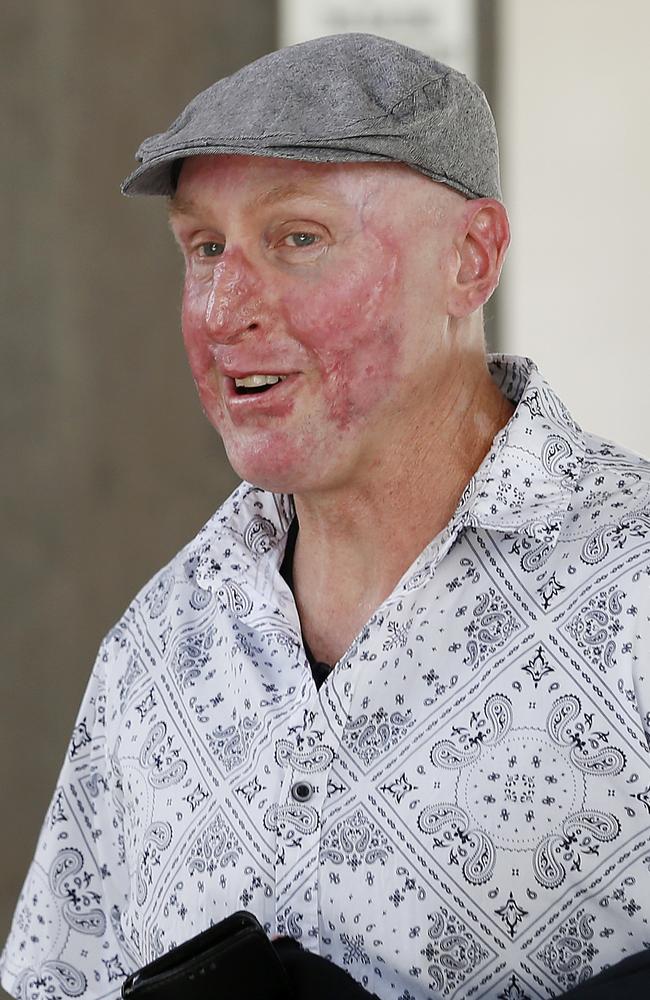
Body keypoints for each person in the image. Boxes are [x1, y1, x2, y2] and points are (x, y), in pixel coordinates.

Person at [2, 32, 650, 1000]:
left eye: (296, 238)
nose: (222, 310)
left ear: (469, 261)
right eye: (203, 247)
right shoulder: (158, 642)